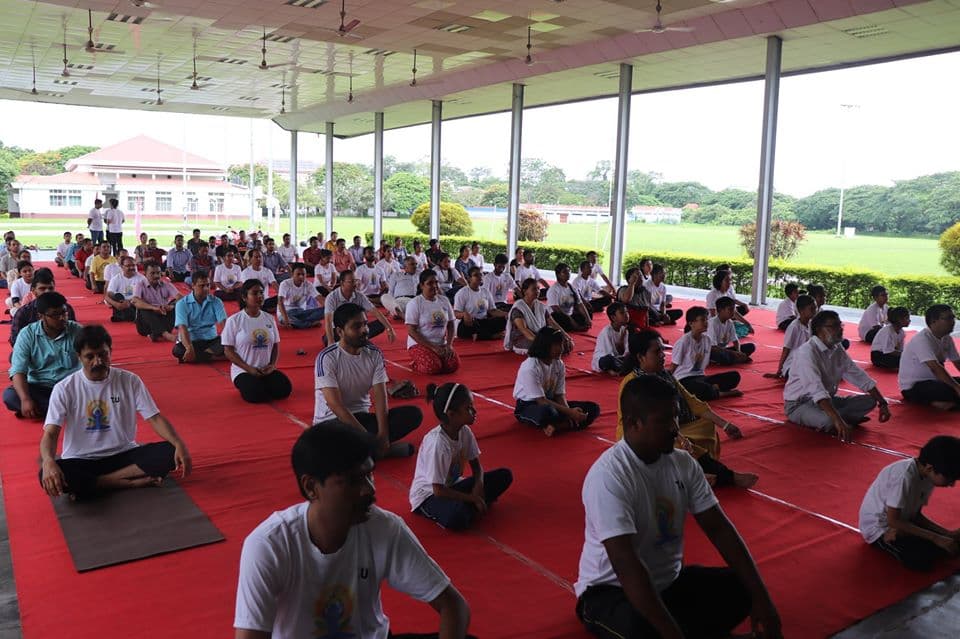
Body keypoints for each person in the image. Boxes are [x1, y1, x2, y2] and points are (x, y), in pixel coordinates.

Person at [574, 373, 782, 639]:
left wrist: (762, 601)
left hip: (669, 582)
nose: (674, 427)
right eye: (663, 420)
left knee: (742, 587)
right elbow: (627, 565)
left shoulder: (683, 463)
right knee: (643, 631)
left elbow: (719, 529)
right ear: (633, 424)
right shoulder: (609, 476)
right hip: (610, 592)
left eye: (674, 416)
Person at [234, 422, 471, 639]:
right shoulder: (269, 544)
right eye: (353, 481)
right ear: (310, 487)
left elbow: (453, 606)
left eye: (369, 475)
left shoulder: (385, 528)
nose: (368, 490)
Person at [39, 325, 192, 500]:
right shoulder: (64, 388)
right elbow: (50, 433)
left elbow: (154, 418)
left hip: (123, 455)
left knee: (169, 451)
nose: (98, 361)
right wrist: (48, 461)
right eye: (90, 356)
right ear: (79, 357)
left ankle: (100, 483)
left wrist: (179, 443)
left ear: (110, 351)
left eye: (103, 354)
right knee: (47, 473)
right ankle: (127, 482)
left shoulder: (130, 380)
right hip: (82, 459)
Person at [618, 329, 757, 489]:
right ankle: (724, 477)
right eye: (657, 352)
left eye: (662, 350)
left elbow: (692, 401)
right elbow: (640, 425)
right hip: (644, 436)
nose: (663, 355)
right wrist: (677, 437)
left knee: (705, 425)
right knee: (677, 448)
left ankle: (695, 472)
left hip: (672, 427)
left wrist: (725, 424)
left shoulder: (665, 375)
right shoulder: (632, 384)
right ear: (641, 357)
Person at [315, 303, 422, 458]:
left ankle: (369, 452)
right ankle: (377, 452)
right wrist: (367, 438)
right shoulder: (327, 358)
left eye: (365, 324)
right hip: (333, 422)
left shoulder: (374, 354)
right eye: (356, 327)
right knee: (328, 442)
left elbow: (380, 396)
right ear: (340, 331)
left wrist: (383, 436)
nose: (364, 330)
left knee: (413, 414)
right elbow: (335, 405)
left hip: (362, 417)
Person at [409, 382, 513, 530]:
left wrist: (478, 484)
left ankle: (471, 506)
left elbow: (477, 467)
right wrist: (473, 497)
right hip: (429, 496)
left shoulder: (465, 432)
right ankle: (469, 506)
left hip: (453, 486)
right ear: (451, 414)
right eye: (468, 408)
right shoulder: (438, 444)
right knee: (458, 517)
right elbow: (438, 490)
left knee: (504, 475)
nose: (474, 411)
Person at [783, 310, 891, 441]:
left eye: (840, 325)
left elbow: (857, 374)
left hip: (828, 399)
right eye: (833, 326)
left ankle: (836, 417)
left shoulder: (836, 348)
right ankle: (836, 419)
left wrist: (883, 403)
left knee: (870, 401)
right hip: (799, 404)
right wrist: (837, 420)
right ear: (819, 330)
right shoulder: (806, 353)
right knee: (829, 421)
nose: (839, 329)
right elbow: (816, 389)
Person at [859, 435, 960, 572]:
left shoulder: (927, 476)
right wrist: (936, 538)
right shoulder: (904, 477)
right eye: (950, 478)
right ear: (930, 468)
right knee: (919, 560)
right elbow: (893, 521)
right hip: (881, 529)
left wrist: (946, 533)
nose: (952, 484)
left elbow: (916, 515)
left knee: (951, 544)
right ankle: (903, 536)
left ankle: (907, 535)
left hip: (903, 522)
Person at [4, 292, 82, 419]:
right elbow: (18, 370)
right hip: (39, 387)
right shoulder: (27, 334)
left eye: (64, 312)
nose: (62, 318)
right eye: (55, 315)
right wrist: (25, 399)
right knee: (10, 396)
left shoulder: (78, 331)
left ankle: (50, 411)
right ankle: (65, 410)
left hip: (70, 387)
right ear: (41, 316)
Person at [513, 327, 600, 436]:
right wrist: (569, 413)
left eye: (562, 344)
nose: (562, 349)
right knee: (548, 412)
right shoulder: (530, 367)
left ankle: (558, 426)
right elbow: (541, 401)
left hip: (552, 401)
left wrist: (569, 412)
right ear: (545, 346)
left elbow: (559, 394)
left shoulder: (558, 364)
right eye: (558, 345)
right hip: (528, 405)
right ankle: (567, 424)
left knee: (593, 408)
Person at [221, 279, 292, 404]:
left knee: (284, 389)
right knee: (256, 395)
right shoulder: (234, 320)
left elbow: (275, 345)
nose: (259, 296)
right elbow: (228, 350)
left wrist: (272, 366)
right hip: (244, 370)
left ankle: (262, 382)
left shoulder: (269, 318)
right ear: (244, 297)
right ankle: (253, 384)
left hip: (265, 369)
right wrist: (249, 369)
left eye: (261, 293)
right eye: (254, 293)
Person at [669, 307, 742, 402]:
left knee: (734, 376)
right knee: (695, 388)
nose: (706, 322)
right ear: (691, 323)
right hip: (684, 379)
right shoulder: (684, 341)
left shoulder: (706, 340)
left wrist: (735, 353)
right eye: (702, 320)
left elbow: (713, 353)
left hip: (700, 377)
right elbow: (673, 366)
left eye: (707, 319)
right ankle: (720, 393)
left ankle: (712, 389)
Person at [898, 304, 960, 410]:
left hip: (936, 381)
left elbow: (957, 362)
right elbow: (935, 368)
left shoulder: (946, 338)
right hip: (915, 387)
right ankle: (941, 401)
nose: (953, 322)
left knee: (952, 386)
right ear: (933, 321)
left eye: (953, 318)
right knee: (950, 389)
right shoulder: (922, 339)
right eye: (948, 318)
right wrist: (956, 387)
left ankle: (944, 403)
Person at [406, 270, 460, 375]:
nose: (435, 286)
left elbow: (451, 325)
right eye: (430, 283)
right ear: (422, 285)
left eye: (436, 282)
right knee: (433, 367)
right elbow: (411, 331)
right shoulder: (415, 303)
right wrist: (433, 348)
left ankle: (436, 359)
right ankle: (416, 363)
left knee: (453, 366)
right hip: (419, 344)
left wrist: (449, 345)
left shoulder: (444, 300)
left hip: (440, 344)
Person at [504, 278, 573, 355]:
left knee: (562, 343)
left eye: (538, 289)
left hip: (539, 336)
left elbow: (553, 323)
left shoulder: (541, 306)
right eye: (534, 289)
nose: (537, 291)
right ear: (524, 291)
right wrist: (543, 342)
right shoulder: (518, 308)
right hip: (523, 338)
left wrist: (565, 336)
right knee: (547, 347)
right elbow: (524, 330)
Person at [324, 270, 394, 346]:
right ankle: (356, 340)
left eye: (355, 281)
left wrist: (390, 329)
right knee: (327, 339)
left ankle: (353, 340)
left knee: (380, 324)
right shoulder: (332, 297)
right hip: (340, 330)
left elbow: (376, 312)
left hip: (357, 328)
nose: (355, 284)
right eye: (351, 282)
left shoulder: (359, 296)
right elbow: (328, 321)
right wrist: (331, 341)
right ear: (342, 283)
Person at [9, 269, 77, 347]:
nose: (47, 292)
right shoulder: (24, 312)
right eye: (42, 289)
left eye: (50, 288)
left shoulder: (66, 309)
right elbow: (15, 341)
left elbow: (73, 335)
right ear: (33, 291)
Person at [172, 270, 228, 363]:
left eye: (208, 285)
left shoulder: (216, 301)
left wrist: (230, 341)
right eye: (202, 286)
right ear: (193, 285)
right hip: (191, 341)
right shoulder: (182, 303)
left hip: (211, 340)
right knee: (177, 350)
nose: (206, 288)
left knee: (228, 341)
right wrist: (189, 348)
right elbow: (182, 328)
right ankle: (213, 357)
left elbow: (224, 324)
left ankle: (199, 357)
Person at [453, 266, 508, 340]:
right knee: (469, 325)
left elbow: (492, 311)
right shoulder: (462, 293)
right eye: (476, 275)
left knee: (504, 319)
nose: (479, 277)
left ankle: (479, 335)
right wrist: (464, 314)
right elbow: (456, 313)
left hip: (483, 322)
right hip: (469, 324)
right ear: (469, 278)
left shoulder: (485, 291)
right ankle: (490, 336)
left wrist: (507, 314)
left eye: (480, 274)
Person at [132, 261, 181, 343]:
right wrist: (153, 308)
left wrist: (171, 306)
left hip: (163, 317)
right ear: (145, 274)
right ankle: (165, 334)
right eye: (152, 273)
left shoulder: (166, 284)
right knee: (143, 308)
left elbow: (180, 297)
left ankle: (156, 335)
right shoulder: (140, 285)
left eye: (158, 273)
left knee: (177, 303)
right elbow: (135, 300)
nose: (156, 276)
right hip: (146, 324)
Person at [769, 294, 816, 379]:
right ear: (801, 310)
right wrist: (779, 369)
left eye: (815, 308)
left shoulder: (810, 324)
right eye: (812, 309)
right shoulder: (794, 327)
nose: (815, 311)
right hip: (792, 364)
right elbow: (786, 349)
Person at [707, 297, 756, 365]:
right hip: (711, 351)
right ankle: (734, 359)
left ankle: (734, 359)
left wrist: (738, 352)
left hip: (724, 350)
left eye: (734, 309)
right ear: (721, 310)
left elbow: (735, 341)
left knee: (751, 346)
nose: (733, 312)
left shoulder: (729, 322)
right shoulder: (713, 323)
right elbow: (713, 347)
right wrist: (734, 353)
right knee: (719, 354)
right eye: (730, 309)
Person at [548, 263, 592, 333]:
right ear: (558, 274)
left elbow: (580, 304)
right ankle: (573, 327)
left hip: (571, 315)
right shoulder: (554, 289)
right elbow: (556, 309)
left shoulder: (572, 287)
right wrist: (572, 321)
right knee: (558, 317)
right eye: (564, 272)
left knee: (588, 312)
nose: (568, 273)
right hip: (561, 316)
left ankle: (572, 326)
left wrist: (588, 319)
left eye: (569, 271)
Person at [277, 263, 324, 329]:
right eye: (298, 274)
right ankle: (308, 324)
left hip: (302, 312)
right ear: (292, 274)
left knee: (326, 309)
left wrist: (329, 308)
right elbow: (280, 302)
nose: (301, 277)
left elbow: (319, 298)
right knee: (285, 319)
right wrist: (286, 318)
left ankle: (299, 323)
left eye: (303, 274)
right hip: (286, 312)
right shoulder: (285, 284)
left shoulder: (308, 284)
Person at [706, 270, 753, 334]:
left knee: (744, 328)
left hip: (725, 320)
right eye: (727, 280)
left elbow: (735, 313)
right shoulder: (713, 295)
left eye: (730, 280)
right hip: (714, 324)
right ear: (720, 281)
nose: (730, 283)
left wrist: (748, 324)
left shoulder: (727, 294)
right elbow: (713, 315)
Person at [104, 256, 146, 323]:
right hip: (120, 302)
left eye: (133, 265)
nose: (132, 267)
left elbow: (146, 295)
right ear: (122, 267)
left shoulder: (142, 279)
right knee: (115, 296)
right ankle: (124, 314)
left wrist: (129, 302)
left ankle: (122, 315)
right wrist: (116, 304)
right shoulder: (116, 278)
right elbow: (107, 296)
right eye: (128, 266)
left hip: (135, 303)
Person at [592, 303, 629, 374]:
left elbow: (626, 351)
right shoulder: (606, 332)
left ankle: (621, 368)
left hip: (618, 359)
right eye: (622, 313)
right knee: (609, 360)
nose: (626, 315)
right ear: (613, 317)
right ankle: (611, 369)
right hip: (604, 359)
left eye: (627, 312)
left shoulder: (625, 330)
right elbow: (609, 354)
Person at [239, 249, 279, 313]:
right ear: (250, 259)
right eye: (256, 257)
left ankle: (265, 309)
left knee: (280, 297)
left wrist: (282, 294)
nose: (259, 259)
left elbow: (274, 284)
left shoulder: (267, 271)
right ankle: (265, 309)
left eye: (260, 257)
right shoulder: (245, 272)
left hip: (265, 300)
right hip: (251, 300)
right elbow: (245, 290)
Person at [381, 256, 419, 321]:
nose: (415, 266)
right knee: (384, 297)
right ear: (405, 267)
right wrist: (390, 305)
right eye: (412, 264)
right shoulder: (396, 275)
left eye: (416, 264)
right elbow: (391, 292)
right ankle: (402, 314)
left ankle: (399, 314)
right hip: (399, 302)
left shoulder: (420, 275)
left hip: (414, 301)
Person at [617, 267, 650, 332]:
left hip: (641, 325)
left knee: (656, 337)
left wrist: (647, 327)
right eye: (636, 276)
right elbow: (626, 299)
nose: (640, 277)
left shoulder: (646, 292)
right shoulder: (623, 290)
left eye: (641, 275)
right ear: (629, 279)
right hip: (627, 326)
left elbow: (646, 313)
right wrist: (632, 283)